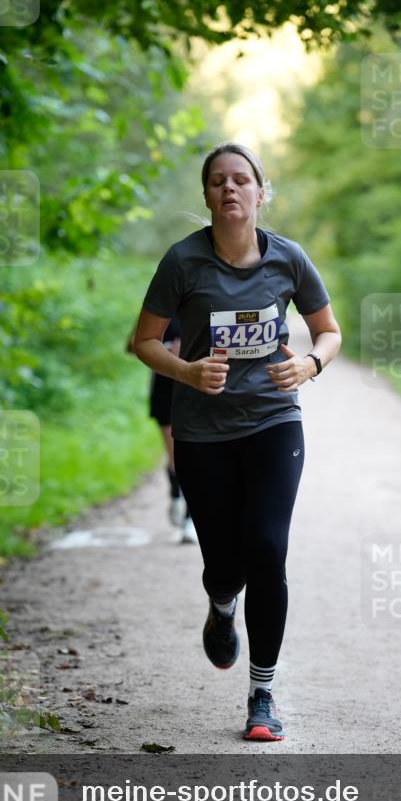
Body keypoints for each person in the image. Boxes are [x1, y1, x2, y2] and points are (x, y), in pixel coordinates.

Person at [133, 142, 342, 740]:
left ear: (260, 192)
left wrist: (309, 364)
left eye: (241, 179)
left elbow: (329, 332)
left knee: (268, 550)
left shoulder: (289, 259)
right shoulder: (183, 261)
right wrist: (188, 371)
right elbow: (144, 342)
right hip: (203, 432)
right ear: (206, 196)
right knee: (224, 564)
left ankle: (262, 695)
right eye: (218, 181)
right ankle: (222, 606)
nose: (230, 188)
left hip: (275, 422)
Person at [126, 317, 197, 544]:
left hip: (200, 387)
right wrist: (167, 352)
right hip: (166, 389)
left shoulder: (210, 303)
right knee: (177, 456)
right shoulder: (162, 306)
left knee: (198, 457)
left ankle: (190, 520)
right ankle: (176, 493)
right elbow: (132, 344)